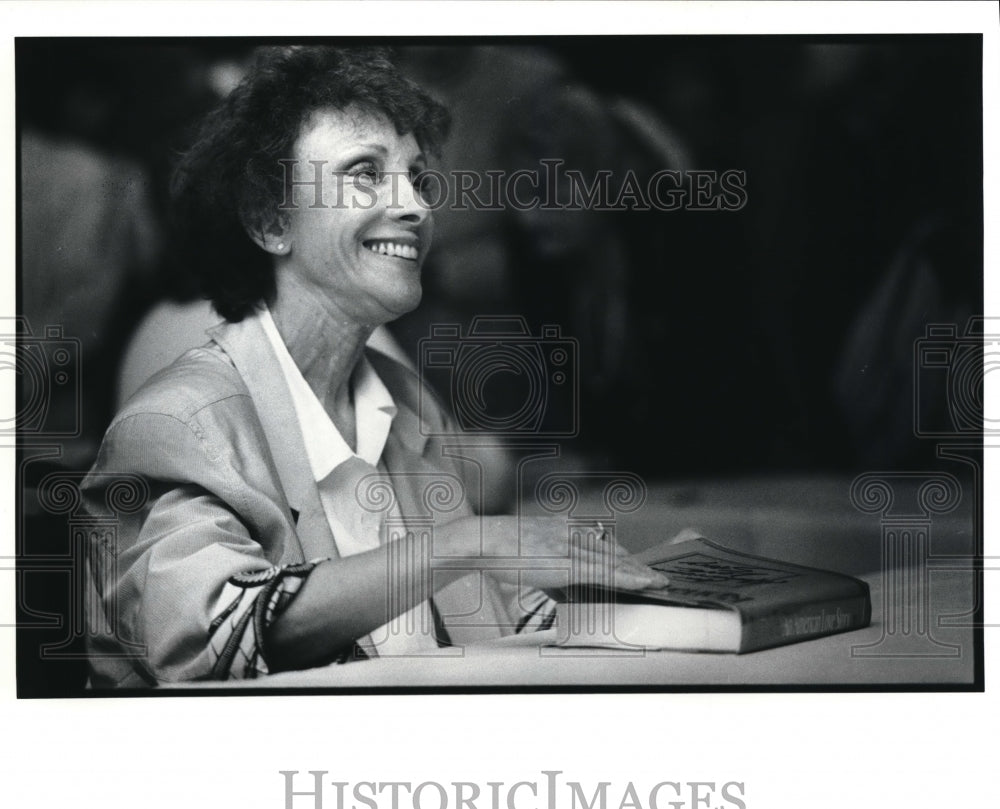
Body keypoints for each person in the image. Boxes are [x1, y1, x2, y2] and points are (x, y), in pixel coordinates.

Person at [81, 46, 668, 687]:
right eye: (365, 172)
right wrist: (466, 545)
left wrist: (635, 606)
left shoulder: (405, 401)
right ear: (270, 220)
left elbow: (488, 615)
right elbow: (215, 634)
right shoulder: (176, 423)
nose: (415, 206)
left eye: (418, 177)